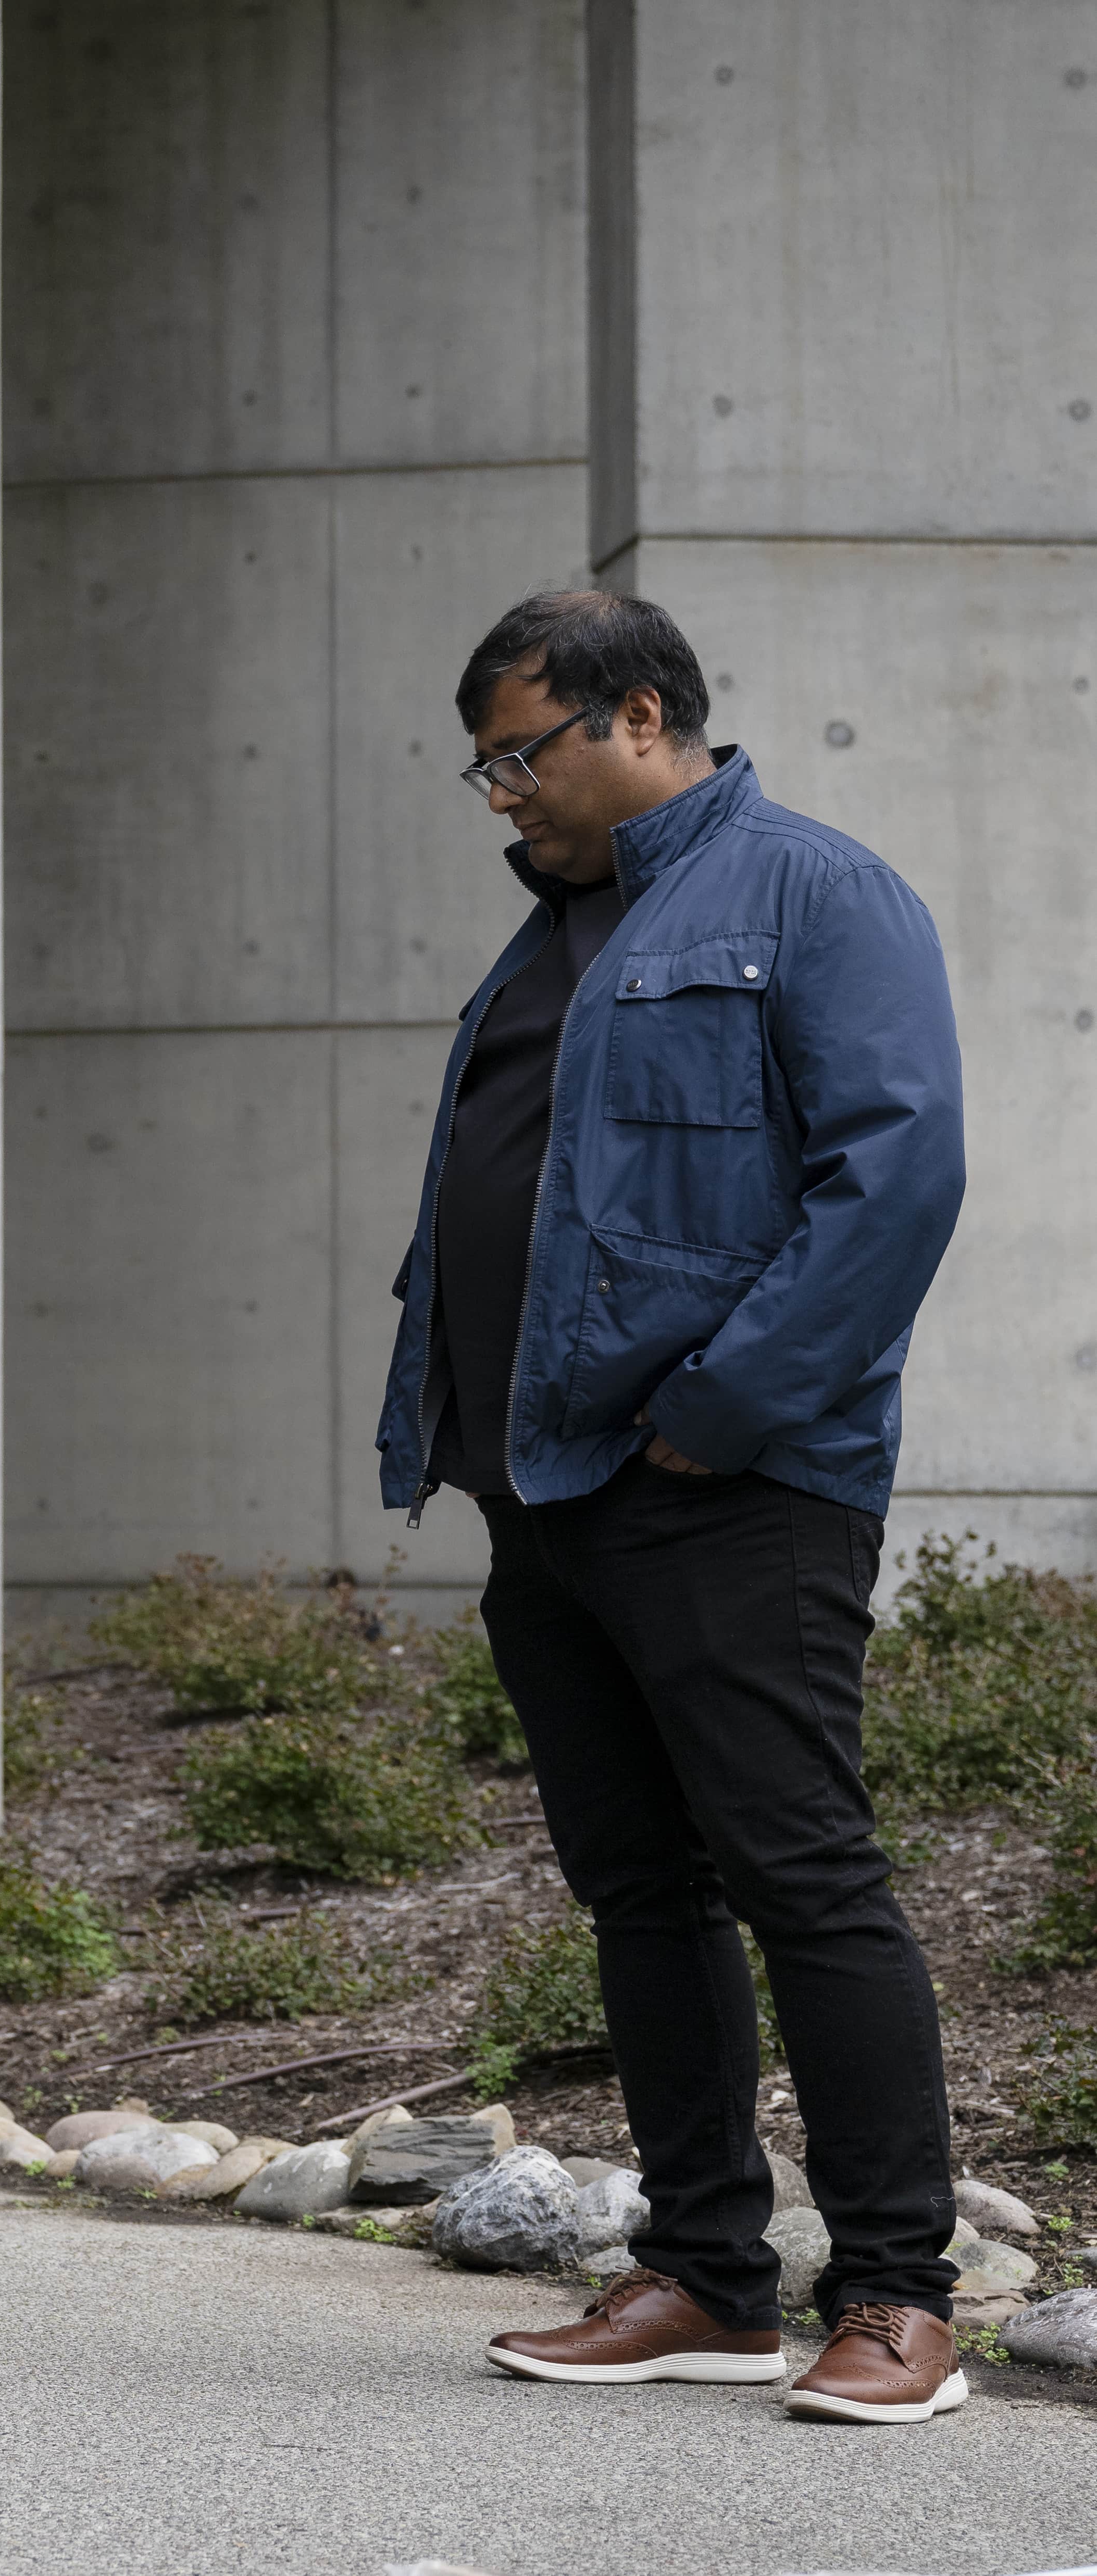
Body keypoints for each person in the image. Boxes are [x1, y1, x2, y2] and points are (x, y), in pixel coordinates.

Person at [384, 592, 970, 2427]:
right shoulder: (559, 932)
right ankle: (711, 2276)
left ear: (639, 713)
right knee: (640, 1886)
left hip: (730, 1487)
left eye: (519, 753)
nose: (502, 796)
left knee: (804, 1873)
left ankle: (895, 2291)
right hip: (547, 1489)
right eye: (486, 763)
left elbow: (895, 1169)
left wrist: (726, 1409)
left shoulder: (813, 890)